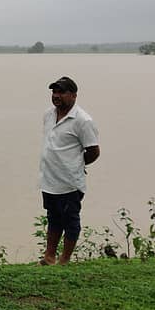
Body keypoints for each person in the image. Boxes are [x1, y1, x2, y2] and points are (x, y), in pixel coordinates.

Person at [39, 76, 100, 265]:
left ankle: (64, 260)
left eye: (61, 92)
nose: (56, 96)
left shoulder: (83, 120)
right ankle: (49, 257)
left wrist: (75, 165)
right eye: (54, 92)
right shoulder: (49, 115)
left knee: (70, 220)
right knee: (53, 218)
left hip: (70, 183)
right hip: (49, 180)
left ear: (74, 95)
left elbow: (93, 151)